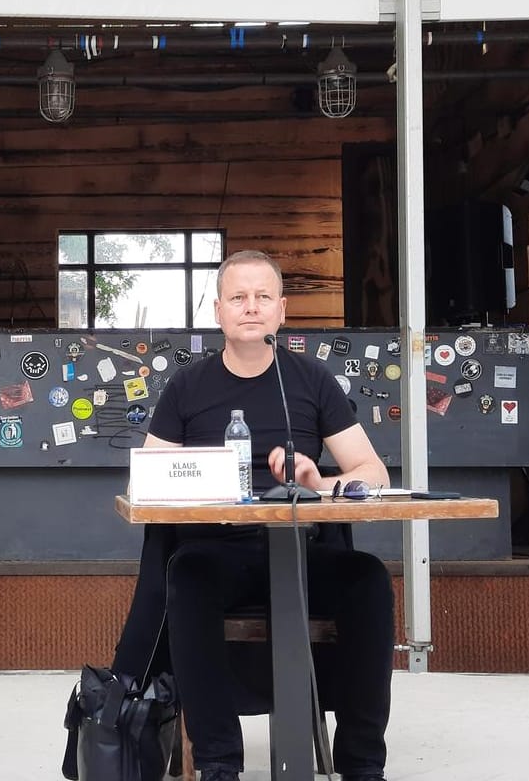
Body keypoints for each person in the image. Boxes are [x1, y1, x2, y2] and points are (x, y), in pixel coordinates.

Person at [119, 249, 394, 781]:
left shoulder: (313, 381)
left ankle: (362, 763)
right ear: (218, 310)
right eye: (238, 297)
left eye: (263, 296)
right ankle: (219, 762)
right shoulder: (187, 386)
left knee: (370, 581)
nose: (251, 307)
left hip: (302, 551)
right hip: (219, 553)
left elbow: (373, 474)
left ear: (282, 310)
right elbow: (144, 481)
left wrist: (320, 484)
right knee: (187, 575)